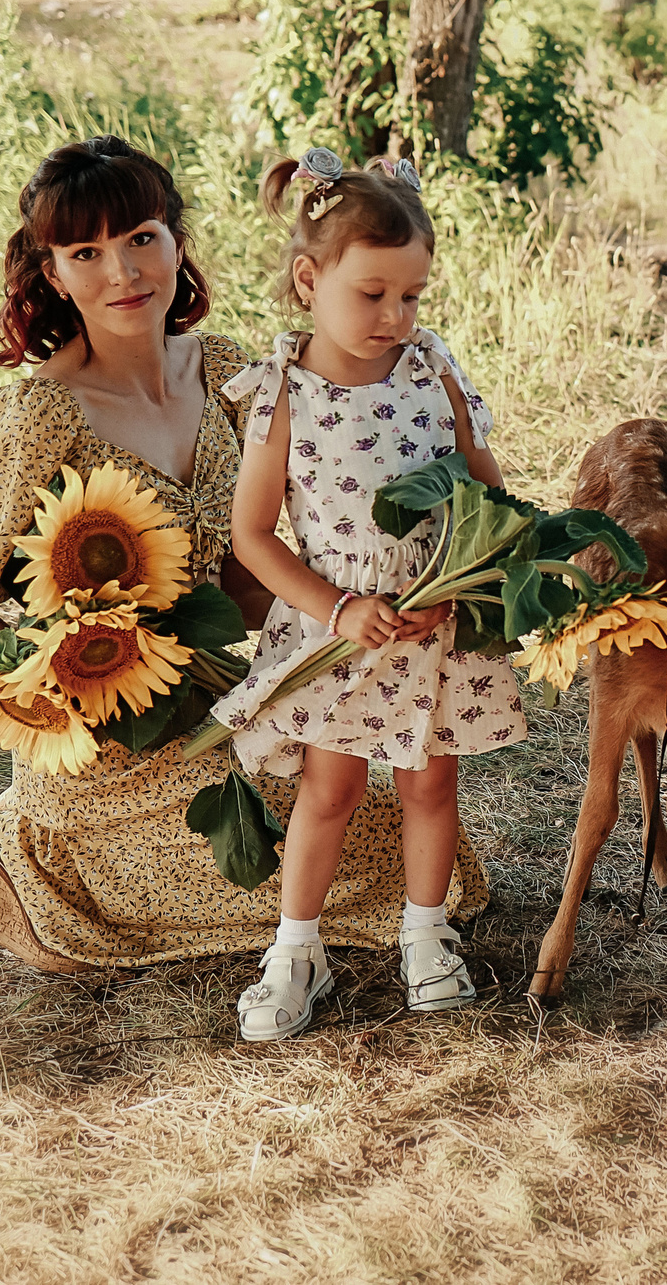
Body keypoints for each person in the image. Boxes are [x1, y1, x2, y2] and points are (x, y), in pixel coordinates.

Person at [0, 136, 486, 973]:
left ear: (176, 242)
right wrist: (63, 681)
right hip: (106, 743)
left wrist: (372, 600)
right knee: (316, 843)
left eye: (141, 237)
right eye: (87, 253)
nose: (123, 273)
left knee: (387, 816)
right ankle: (48, 866)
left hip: (215, 702)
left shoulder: (230, 373)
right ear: (53, 273)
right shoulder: (37, 416)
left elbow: (248, 578)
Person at [212, 150, 528, 1042]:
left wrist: (465, 576)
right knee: (331, 788)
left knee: (432, 784)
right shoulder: (286, 393)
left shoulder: (431, 372)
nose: (396, 316)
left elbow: (483, 485)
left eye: (413, 295)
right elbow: (254, 535)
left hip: (437, 622)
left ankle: (425, 934)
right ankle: (296, 946)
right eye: (373, 293)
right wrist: (336, 606)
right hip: (340, 630)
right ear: (309, 279)